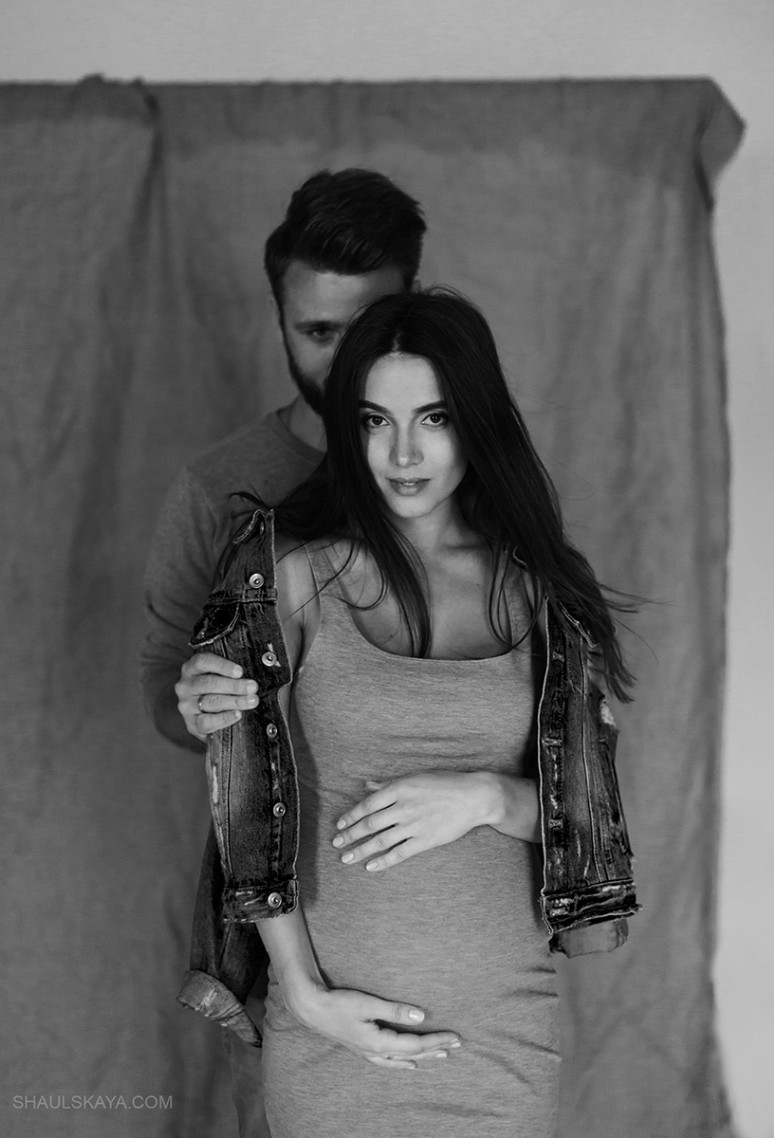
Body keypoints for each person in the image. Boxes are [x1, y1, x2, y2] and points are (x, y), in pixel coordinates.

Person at [184, 289, 639, 1138]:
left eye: (433, 417)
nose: (402, 453)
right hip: (330, 1032)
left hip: (499, 1037)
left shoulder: (544, 593)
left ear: (476, 420)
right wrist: (305, 996)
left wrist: (486, 797)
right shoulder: (293, 578)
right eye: (374, 420)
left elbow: (595, 822)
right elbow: (244, 804)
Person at [140, 168, 426, 1136]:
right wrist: (193, 702)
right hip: (280, 923)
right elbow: (161, 687)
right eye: (318, 332)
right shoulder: (220, 488)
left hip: (450, 909)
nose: (347, 361)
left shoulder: (470, 481)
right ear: (276, 319)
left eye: (371, 326)